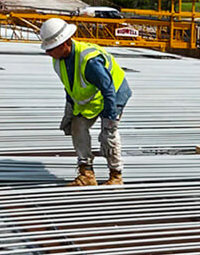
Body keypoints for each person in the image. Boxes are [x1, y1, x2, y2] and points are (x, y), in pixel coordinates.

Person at [40, 18, 132, 186]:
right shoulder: (58, 61)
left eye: (51, 48)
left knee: (109, 136)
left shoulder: (89, 61)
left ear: (65, 43)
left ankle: (116, 175)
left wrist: (110, 122)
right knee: (78, 127)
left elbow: (108, 89)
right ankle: (87, 174)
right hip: (92, 98)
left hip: (113, 94)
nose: (48, 53)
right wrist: (69, 112)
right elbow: (70, 86)